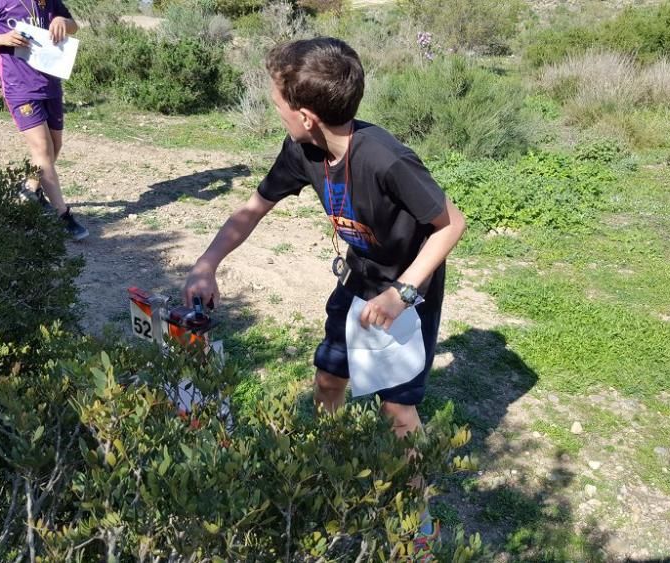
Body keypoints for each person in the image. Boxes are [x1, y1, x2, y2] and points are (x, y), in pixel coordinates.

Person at [183, 37, 466, 552]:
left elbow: (451, 224)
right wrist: (207, 264)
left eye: (277, 104)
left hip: (406, 292)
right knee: (328, 378)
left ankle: (418, 524)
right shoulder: (302, 150)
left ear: (307, 114)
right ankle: (322, 471)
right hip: (357, 281)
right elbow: (252, 209)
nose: (276, 112)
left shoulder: (386, 159)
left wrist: (402, 293)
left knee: (398, 412)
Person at [0, 0, 88, 240]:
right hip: (18, 85)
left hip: (50, 80)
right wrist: (3, 39)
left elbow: (73, 25)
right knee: (42, 149)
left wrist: (62, 21)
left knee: (55, 146)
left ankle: (29, 189)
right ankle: (62, 216)